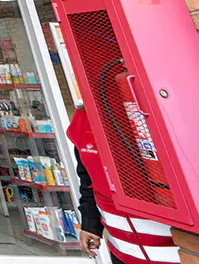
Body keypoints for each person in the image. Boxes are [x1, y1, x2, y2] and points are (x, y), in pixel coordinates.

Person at [68, 108, 179, 263]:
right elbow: (88, 179)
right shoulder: (84, 122)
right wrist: (90, 223)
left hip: (176, 248)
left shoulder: (155, 111)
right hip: (123, 249)